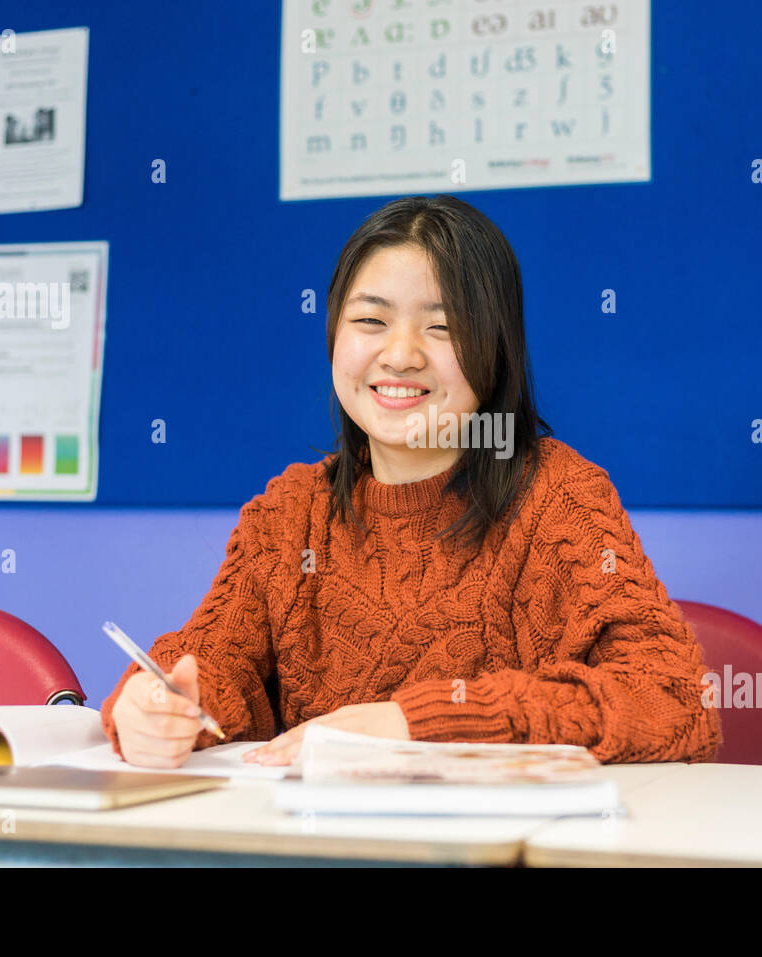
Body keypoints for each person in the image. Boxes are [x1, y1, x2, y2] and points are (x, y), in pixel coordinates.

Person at [101, 194, 722, 768]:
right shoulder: (290, 512)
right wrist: (159, 708)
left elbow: (673, 700)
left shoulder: (558, 496)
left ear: (495, 349)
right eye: (371, 320)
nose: (400, 354)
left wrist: (419, 722)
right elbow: (216, 660)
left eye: (443, 327)